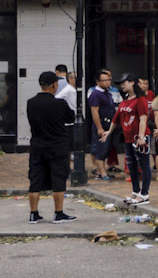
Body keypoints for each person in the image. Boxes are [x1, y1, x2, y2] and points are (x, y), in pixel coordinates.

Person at [27, 71, 77, 224]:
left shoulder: (31, 102)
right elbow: (70, 117)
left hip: (37, 145)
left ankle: (33, 214)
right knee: (58, 178)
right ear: (54, 84)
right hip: (57, 146)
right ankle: (58, 213)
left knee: (35, 180)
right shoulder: (59, 103)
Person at [102, 73, 151, 205]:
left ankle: (144, 194)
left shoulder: (140, 100)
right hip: (128, 138)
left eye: (124, 82)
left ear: (132, 83)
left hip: (139, 138)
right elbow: (116, 119)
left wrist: (141, 137)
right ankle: (135, 192)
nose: (122, 85)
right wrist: (109, 132)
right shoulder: (125, 101)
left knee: (144, 164)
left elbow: (143, 118)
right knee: (132, 165)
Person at [88, 69, 121, 181]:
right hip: (102, 124)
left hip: (110, 125)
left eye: (109, 80)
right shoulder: (96, 94)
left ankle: (103, 171)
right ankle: (102, 173)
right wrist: (99, 128)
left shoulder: (107, 92)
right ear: (98, 82)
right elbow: (94, 112)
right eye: (105, 80)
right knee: (100, 150)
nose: (108, 82)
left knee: (106, 149)